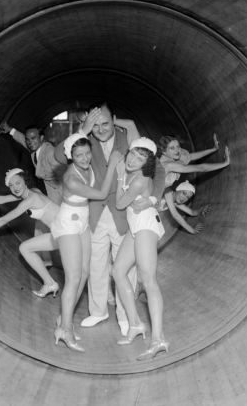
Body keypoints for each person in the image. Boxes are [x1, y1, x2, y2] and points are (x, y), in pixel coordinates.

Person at [54, 103, 166, 336]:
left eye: (106, 123)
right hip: (94, 211)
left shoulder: (130, 141)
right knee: (96, 264)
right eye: (96, 125)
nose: (101, 129)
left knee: (125, 267)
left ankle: (126, 317)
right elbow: (58, 154)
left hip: (123, 212)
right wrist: (83, 130)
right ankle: (98, 311)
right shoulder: (85, 141)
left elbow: (159, 170)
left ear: (114, 120)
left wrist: (153, 199)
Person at [52, 132, 122, 353]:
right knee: (72, 278)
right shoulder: (71, 179)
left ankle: (64, 317)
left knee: (84, 273)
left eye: (86, 153)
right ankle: (65, 330)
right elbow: (101, 194)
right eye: (78, 155)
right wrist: (112, 165)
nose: (84, 158)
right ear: (70, 157)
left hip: (82, 221)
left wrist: (85, 128)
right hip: (68, 225)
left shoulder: (86, 167)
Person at [112, 137, 169, 361]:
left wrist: (118, 177)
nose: (134, 159)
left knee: (148, 280)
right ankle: (135, 324)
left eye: (141, 157)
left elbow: (118, 204)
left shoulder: (139, 178)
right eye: (133, 153)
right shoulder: (132, 173)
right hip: (136, 225)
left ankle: (158, 339)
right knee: (117, 271)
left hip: (145, 224)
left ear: (148, 162)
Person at [0, 169, 60, 297]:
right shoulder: (31, 191)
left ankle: (50, 283)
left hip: (66, 231)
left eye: (17, 183)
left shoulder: (30, 200)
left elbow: (4, 219)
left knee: (25, 248)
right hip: (61, 231)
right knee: (25, 248)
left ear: (25, 180)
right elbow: (2, 199)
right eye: (11, 185)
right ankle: (50, 283)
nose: (15, 187)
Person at [1, 122, 66, 267]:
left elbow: (65, 175)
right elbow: (23, 140)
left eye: (33, 138)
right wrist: (10, 130)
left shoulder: (49, 153)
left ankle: (64, 258)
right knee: (40, 227)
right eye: (29, 139)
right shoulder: (35, 148)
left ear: (42, 138)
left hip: (62, 196)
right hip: (52, 192)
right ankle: (47, 260)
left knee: (60, 230)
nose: (30, 142)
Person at [158, 134, 230, 188]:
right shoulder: (168, 165)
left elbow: (191, 156)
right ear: (163, 151)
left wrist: (214, 149)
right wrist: (225, 163)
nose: (177, 150)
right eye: (172, 148)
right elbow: (200, 168)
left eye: (178, 146)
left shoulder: (168, 156)